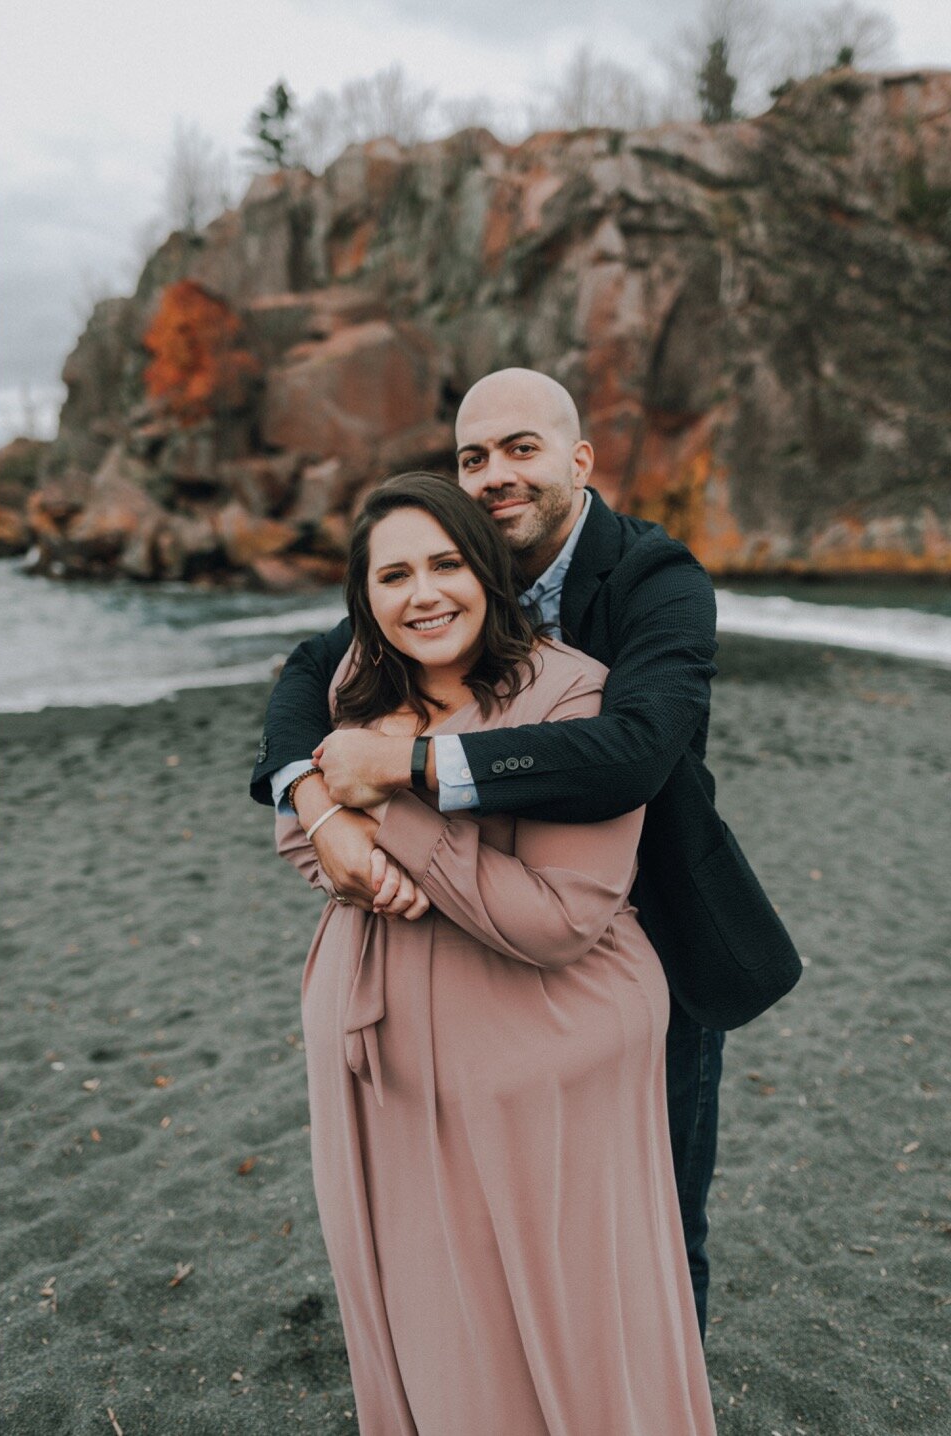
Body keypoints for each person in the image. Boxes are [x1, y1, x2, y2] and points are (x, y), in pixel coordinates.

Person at [252, 368, 799, 1334]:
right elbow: (309, 669)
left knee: (658, 1216)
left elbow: (633, 751)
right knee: (498, 1215)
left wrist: (408, 765)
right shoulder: (459, 565)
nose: (496, 475)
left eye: (520, 449)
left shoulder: (655, 578)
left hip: (648, 924)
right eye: (473, 458)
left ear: (578, 462)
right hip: (479, 937)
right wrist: (316, 800)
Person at [278, 472, 716, 1433]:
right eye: (393, 575)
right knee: (418, 1304)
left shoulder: (574, 689)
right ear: (365, 598)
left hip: (535, 1047)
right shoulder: (355, 681)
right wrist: (321, 814)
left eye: (445, 564)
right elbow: (301, 826)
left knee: (557, 1315)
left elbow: (559, 919)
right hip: (373, 1053)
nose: (422, 593)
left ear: (489, 570)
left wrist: (389, 809)